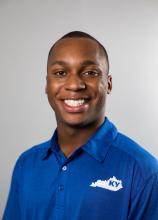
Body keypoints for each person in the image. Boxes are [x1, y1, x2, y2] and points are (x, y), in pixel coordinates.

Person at [2, 31, 158, 220]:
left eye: (90, 73)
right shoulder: (26, 164)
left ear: (108, 84)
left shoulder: (143, 171)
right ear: (47, 85)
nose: (74, 85)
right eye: (61, 73)